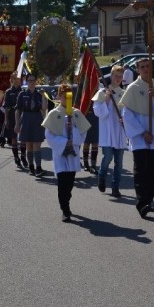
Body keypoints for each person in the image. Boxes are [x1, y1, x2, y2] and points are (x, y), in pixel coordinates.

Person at [119, 57, 154, 218]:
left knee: (151, 172)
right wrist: (143, 133)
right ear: (137, 70)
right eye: (142, 67)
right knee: (140, 171)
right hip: (139, 137)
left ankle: (149, 201)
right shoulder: (133, 88)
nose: (145, 69)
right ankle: (141, 203)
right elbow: (127, 115)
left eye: (147, 66)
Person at [43, 84, 90, 222]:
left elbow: (83, 132)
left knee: (69, 183)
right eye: (64, 96)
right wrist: (64, 142)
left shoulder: (76, 113)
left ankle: (66, 201)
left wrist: (74, 134)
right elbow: (49, 135)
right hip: (60, 154)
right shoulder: (54, 114)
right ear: (59, 96)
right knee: (62, 183)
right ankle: (65, 209)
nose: (66, 99)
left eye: (69, 96)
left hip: (73, 153)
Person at [92, 66, 127, 197]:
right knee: (108, 157)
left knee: (119, 162)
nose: (118, 79)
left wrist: (125, 120)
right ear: (111, 76)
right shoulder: (102, 92)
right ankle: (102, 176)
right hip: (107, 132)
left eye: (120, 76)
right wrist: (107, 98)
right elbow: (97, 111)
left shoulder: (124, 94)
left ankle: (115, 187)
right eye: (116, 76)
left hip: (119, 131)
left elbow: (128, 112)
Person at [16, 73, 47, 177]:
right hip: (26, 118)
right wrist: (17, 124)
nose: (32, 82)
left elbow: (44, 108)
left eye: (33, 80)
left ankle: (38, 168)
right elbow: (18, 110)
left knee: (37, 144)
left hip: (37, 118)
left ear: (36, 81)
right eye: (29, 80)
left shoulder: (39, 94)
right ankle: (31, 167)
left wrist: (43, 97)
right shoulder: (22, 94)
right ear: (26, 81)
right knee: (29, 145)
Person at [2, 74, 25, 168]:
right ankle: (16, 157)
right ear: (11, 79)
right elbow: (6, 107)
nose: (16, 80)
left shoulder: (23, 91)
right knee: (13, 137)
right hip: (12, 115)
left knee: (23, 137)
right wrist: (6, 119)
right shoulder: (8, 91)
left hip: (22, 115)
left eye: (18, 78)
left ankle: (23, 156)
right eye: (14, 78)